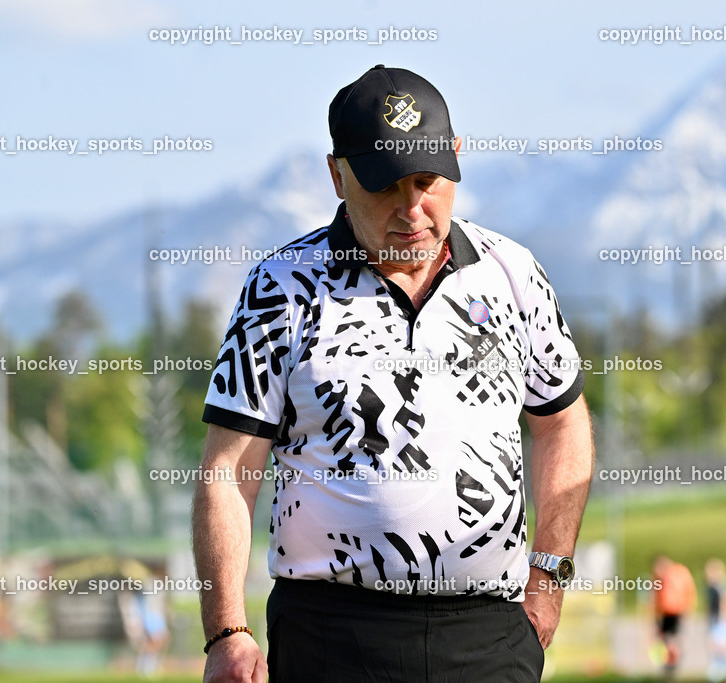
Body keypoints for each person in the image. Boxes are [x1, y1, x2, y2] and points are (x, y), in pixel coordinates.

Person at [192, 65, 595, 682]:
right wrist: (227, 630)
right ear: (337, 174)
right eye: (384, 187)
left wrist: (550, 577)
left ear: (456, 158)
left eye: (428, 181)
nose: (411, 209)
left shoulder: (514, 275)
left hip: (488, 638)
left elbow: (562, 426)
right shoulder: (281, 288)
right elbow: (229, 471)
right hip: (330, 638)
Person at [652, 555, 697, 679]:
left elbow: (689, 592)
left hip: (678, 612)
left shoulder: (679, 574)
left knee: (676, 641)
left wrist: (688, 610)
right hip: (664, 614)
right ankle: (668, 665)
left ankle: (675, 665)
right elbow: (657, 598)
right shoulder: (658, 578)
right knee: (666, 641)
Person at [704, 558, 726, 682]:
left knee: (722, 644)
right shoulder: (710, 587)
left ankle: (725, 669)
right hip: (714, 618)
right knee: (715, 644)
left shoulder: (722, 586)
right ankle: (719, 669)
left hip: (721, 620)